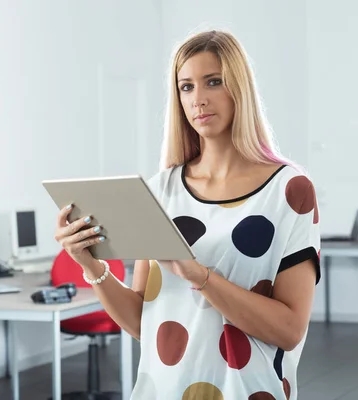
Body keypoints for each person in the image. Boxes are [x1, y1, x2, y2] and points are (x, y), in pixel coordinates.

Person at [53, 29, 320, 400]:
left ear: (239, 88)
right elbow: (144, 323)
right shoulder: (162, 190)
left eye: (213, 82)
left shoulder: (289, 190)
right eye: (186, 87)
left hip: (247, 391)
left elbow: (290, 329)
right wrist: (91, 264)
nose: (199, 99)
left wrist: (199, 275)